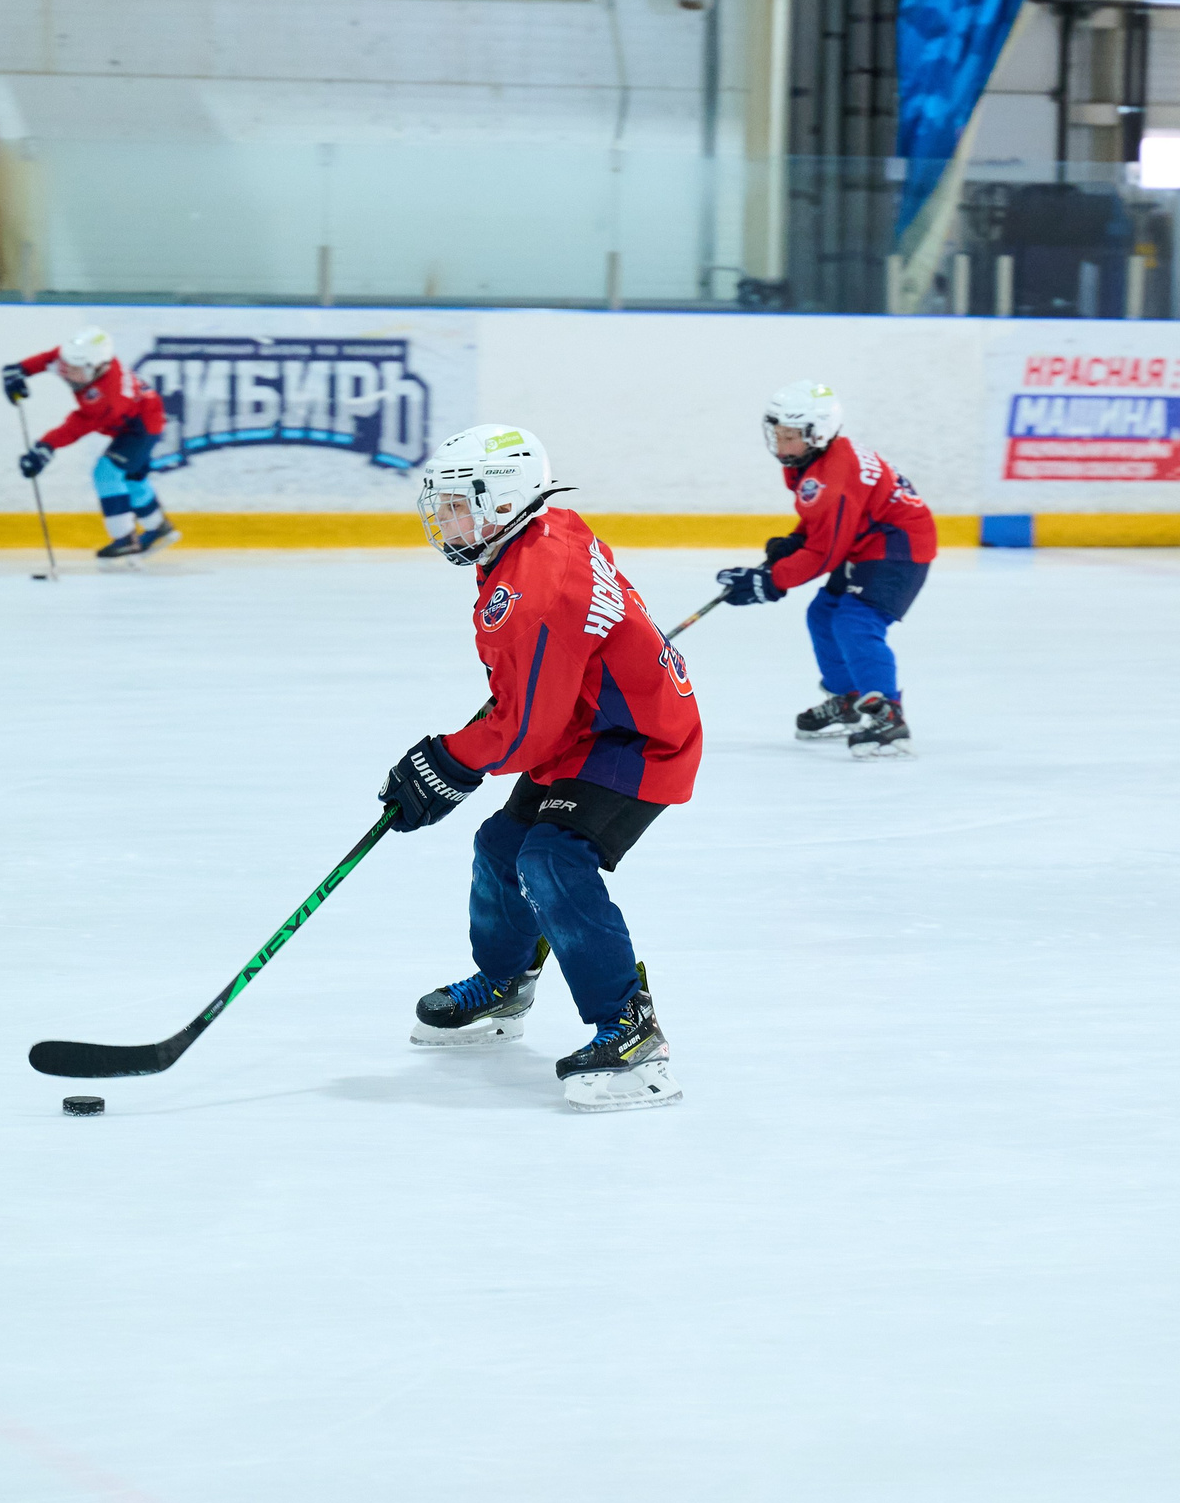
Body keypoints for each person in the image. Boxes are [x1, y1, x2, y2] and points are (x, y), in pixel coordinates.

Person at [377, 424, 701, 1112]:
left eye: (459, 503)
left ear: (503, 500)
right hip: (588, 727)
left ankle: (632, 1031)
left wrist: (446, 761)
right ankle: (504, 983)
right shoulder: (539, 533)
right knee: (501, 846)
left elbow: (527, 732)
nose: (446, 520)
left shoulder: (537, 584)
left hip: (637, 738)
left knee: (552, 861)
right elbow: (534, 701)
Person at [714, 381, 937, 756]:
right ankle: (850, 698)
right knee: (823, 614)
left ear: (818, 433)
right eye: (778, 435)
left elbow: (825, 554)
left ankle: (888, 715)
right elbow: (827, 527)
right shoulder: (815, 460)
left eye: (790, 437)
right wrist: (795, 542)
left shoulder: (832, 478)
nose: (781, 445)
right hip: (868, 540)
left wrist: (769, 581)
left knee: (855, 621)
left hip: (898, 548)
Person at [1, 327, 177, 560]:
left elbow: (78, 426)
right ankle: (158, 528)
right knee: (133, 478)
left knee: (107, 472)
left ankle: (124, 538)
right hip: (141, 414)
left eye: (77, 370)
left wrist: (45, 447)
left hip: (142, 426)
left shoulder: (107, 397)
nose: (68, 373)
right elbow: (51, 359)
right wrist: (21, 370)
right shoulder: (78, 359)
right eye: (68, 365)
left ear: (100, 368)